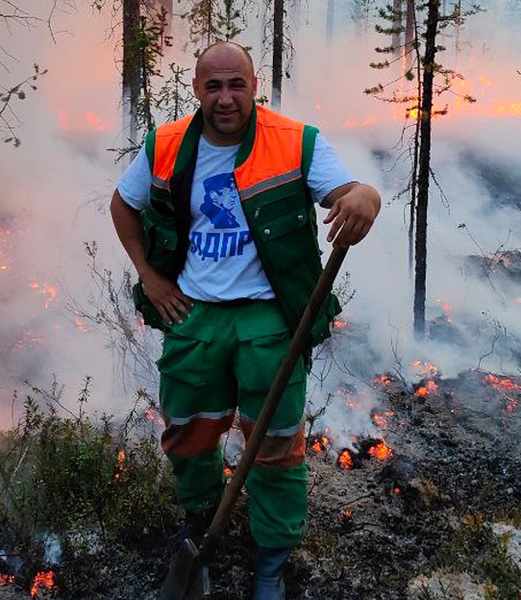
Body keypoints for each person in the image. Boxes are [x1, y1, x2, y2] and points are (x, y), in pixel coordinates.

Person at [110, 41, 381, 599]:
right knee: (188, 435)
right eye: (214, 86)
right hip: (194, 317)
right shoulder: (165, 145)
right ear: (196, 90)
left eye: (237, 85)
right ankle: (202, 532)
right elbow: (122, 205)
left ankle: (272, 561)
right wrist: (150, 277)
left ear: (255, 86)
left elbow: (352, 191)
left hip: (268, 320)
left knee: (275, 445)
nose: (226, 98)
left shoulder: (294, 143)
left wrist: (367, 199)